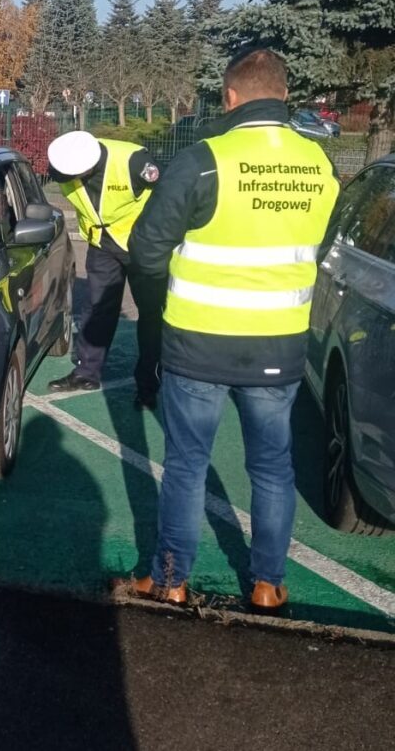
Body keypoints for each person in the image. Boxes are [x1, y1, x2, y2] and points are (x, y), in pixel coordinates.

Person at [124, 48, 339, 612]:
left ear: (231, 97)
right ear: (285, 96)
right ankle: (267, 585)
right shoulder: (320, 165)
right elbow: (321, 243)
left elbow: (146, 250)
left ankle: (171, 579)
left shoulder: (205, 161)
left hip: (199, 344)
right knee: (272, 468)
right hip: (279, 346)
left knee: (187, 466)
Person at [46, 130, 164, 409]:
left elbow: (167, 199)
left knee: (151, 314)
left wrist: (156, 239)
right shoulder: (64, 163)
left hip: (143, 247)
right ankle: (86, 373)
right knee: (98, 308)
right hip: (101, 245)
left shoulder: (133, 162)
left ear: (89, 166)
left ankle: (150, 383)